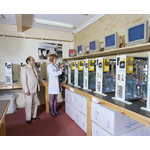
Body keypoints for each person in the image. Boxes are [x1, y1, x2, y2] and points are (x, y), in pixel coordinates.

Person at [20, 56, 43, 124]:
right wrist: (26, 90)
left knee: (35, 103)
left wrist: (42, 81)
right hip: (29, 90)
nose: (34, 61)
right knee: (28, 104)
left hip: (35, 88)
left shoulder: (34, 68)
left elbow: (37, 77)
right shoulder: (24, 68)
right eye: (32, 60)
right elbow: (23, 80)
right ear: (28, 61)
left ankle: (34, 116)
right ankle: (28, 118)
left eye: (34, 60)